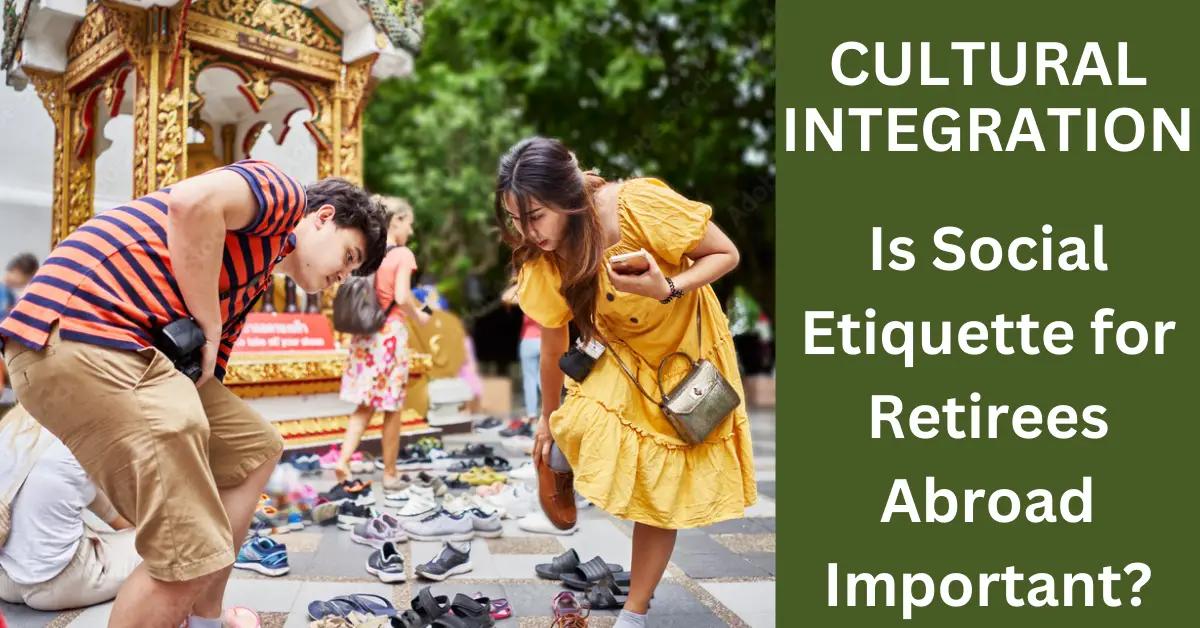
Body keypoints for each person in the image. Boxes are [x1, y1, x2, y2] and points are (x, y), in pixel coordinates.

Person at [0, 160, 389, 628]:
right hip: (82, 332)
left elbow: (205, 377)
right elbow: (192, 202)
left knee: (254, 447)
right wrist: (210, 319)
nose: (342, 278)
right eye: (348, 257)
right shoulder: (285, 196)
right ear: (323, 218)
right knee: (188, 549)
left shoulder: (253, 277)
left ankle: (204, 616)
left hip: (110, 350)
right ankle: (185, 574)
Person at [494, 137, 756, 628]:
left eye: (535, 217)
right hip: (620, 353)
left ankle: (634, 613)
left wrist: (668, 286)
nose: (526, 231)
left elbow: (726, 253)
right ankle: (559, 466)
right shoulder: (543, 256)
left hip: (686, 352)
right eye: (515, 219)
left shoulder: (636, 205)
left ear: (567, 197)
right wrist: (547, 425)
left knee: (661, 489)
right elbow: (553, 346)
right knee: (572, 426)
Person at [0, 404, 139, 611]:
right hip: (61, 582)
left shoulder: (14, 423)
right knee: (170, 544)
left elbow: (89, 494)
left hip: (5, 581)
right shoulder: (87, 436)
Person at [336, 196, 428, 487]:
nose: (410, 232)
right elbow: (401, 296)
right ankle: (390, 474)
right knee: (392, 407)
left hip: (364, 336)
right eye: (409, 224)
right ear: (397, 220)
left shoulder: (369, 251)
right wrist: (420, 315)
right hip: (388, 337)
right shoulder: (402, 254)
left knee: (365, 405)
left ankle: (343, 460)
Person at [503, 283, 543, 421]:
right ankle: (551, 411)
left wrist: (521, 282)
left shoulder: (527, 296)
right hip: (545, 340)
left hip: (529, 341)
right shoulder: (548, 296)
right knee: (542, 377)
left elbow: (506, 297)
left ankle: (532, 414)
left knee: (530, 378)